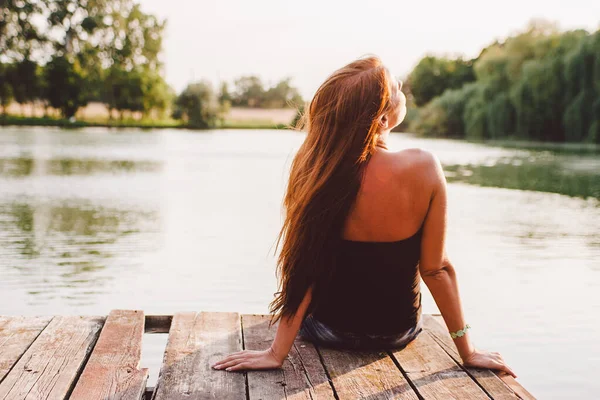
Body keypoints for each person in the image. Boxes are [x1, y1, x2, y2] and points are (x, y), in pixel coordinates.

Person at [212, 56, 516, 378]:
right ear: (382, 120)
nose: (403, 91)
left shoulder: (315, 168)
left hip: (328, 331)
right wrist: (467, 350)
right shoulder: (424, 167)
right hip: (397, 333)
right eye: (397, 89)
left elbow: (303, 266)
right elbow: (436, 268)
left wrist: (277, 353)